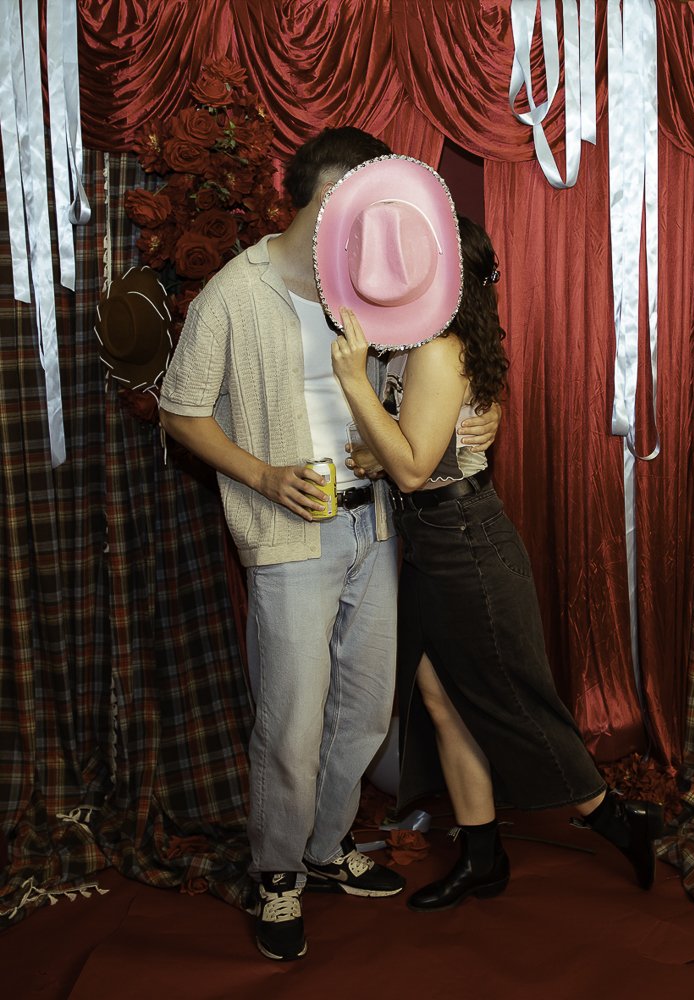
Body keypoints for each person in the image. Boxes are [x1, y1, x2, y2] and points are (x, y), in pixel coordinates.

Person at [158, 128, 498, 961]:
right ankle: (277, 874)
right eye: (344, 209)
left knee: (365, 704)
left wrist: (463, 426)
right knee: (292, 719)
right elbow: (179, 409)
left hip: (371, 519)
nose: (360, 226)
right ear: (310, 198)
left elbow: (417, 387)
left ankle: (326, 846)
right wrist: (265, 476)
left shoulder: (367, 285)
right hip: (286, 531)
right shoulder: (236, 293)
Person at [330, 214, 664, 913]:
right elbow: (405, 449)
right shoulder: (421, 345)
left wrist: (356, 388)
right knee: (441, 702)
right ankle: (484, 858)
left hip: (463, 542)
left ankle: (618, 820)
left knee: (515, 706)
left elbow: (416, 468)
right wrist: (378, 447)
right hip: (428, 542)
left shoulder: (436, 351)